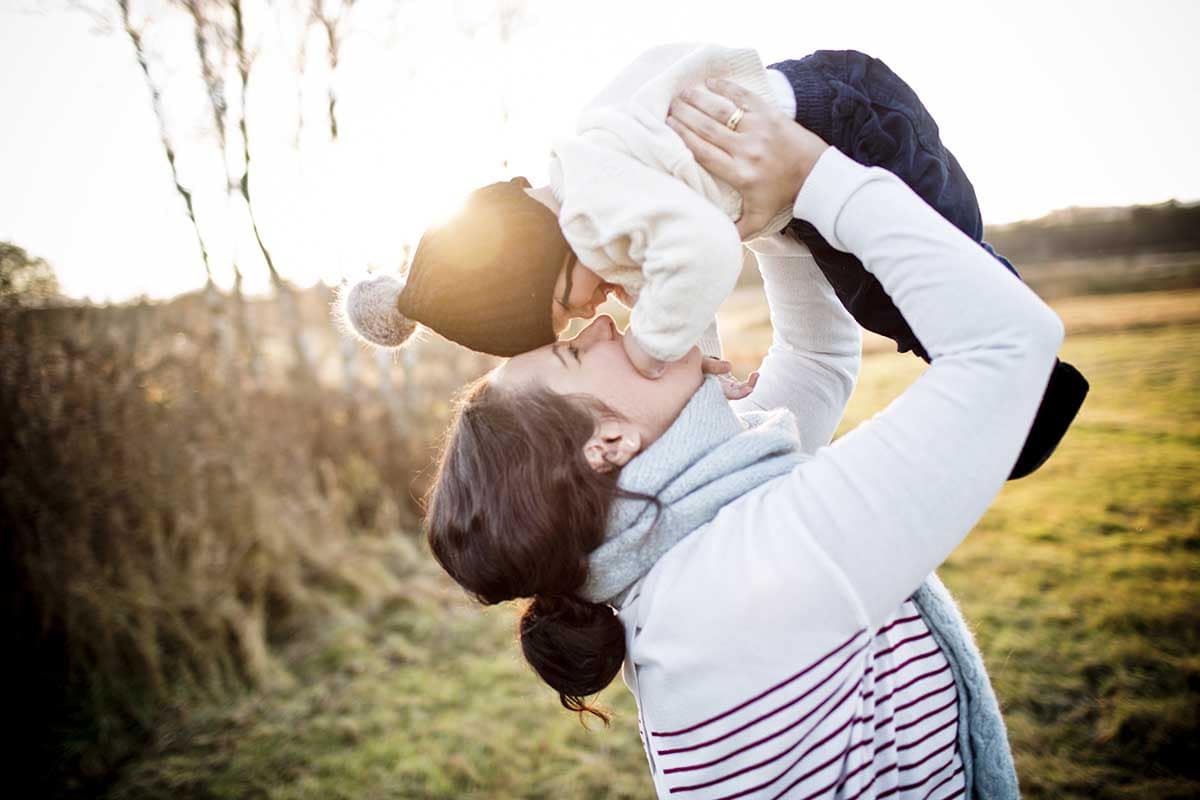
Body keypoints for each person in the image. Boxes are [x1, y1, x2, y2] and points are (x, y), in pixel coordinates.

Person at [422, 94, 1062, 797]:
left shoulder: (688, 540)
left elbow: (817, 359)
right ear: (607, 443)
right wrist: (813, 176)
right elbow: (1011, 345)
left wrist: (757, 214)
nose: (599, 324)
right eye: (575, 354)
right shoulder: (747, 579)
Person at [340, 45, 1086, 479]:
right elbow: (679, 275)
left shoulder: (601, 200)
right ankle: (1009, 380)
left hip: (849, 124)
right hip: (823, 137)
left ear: (540, 253)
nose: (594, 312)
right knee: (879, 294)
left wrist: (654, 353)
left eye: (566, 305)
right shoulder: (596, 190)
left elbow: (700, 256)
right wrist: (695, 369)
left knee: (923, 280)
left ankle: (1027, 384)